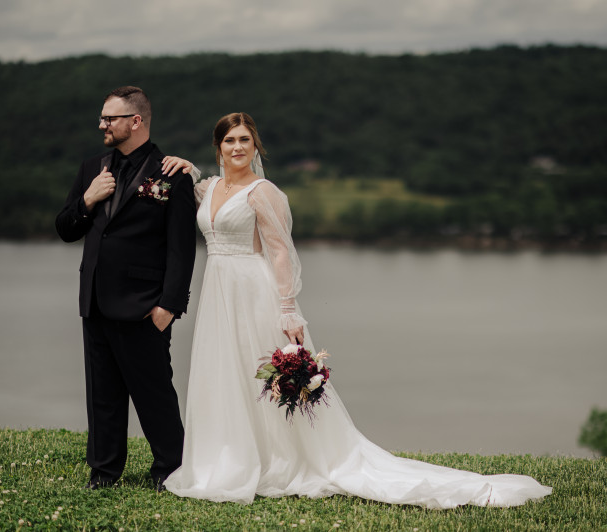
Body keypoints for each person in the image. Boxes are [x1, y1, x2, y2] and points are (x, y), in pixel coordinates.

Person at [160, 112, 552, 508]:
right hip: (217, 291)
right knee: (227, 371)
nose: (238, 147)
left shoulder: (263, 192)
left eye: (245, 139)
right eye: (230, 141)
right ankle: (232, 455)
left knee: (261, 373)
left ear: (256, 145)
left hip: (253, 292)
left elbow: (280, 252)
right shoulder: (209, 189)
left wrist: (287, 308)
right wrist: (188, 168)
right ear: (218, 147)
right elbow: (199, 192)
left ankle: (278, 458)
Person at [55, 86, 197, 490]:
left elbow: (181, 250)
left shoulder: (172, 173)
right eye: (102, 118)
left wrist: (169, 305)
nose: (102, 124)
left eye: (109, 118)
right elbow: (65, 228)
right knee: (102, 394)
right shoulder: (92, 168)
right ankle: (104, 472)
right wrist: (87, 200)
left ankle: (170, 469)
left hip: (144, 306)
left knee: (153, 393)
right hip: (96, 301)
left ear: (135, 121)